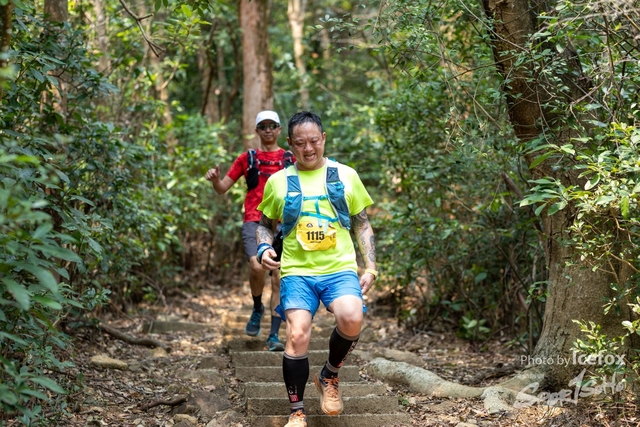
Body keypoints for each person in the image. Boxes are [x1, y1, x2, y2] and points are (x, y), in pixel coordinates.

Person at [255, 111, 378, 427]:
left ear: (323, 138)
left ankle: (329, 375)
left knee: (352, 318)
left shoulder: (346, 175)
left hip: (339, 268)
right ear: (290, 143)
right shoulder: (278, 182)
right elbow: (264, 225)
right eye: (300, 143)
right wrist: (264, 247)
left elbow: (362, 224)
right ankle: (297, 412)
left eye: (313, 141)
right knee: (297, 333)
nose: (308, 149)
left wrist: (370, 266)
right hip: (297, 271)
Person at [205, 110, 291, 351]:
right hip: (254, 220)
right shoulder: (247, 158)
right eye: (263, 126)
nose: (268, 130)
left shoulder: (290, 159)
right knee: (257, 266)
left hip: (284, 223)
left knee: (278, 278)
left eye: (272, 126)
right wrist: (215, 179)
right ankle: (257, 307)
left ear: (279, 129)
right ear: (257, 131)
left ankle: (273, 335)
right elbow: (223, 187)